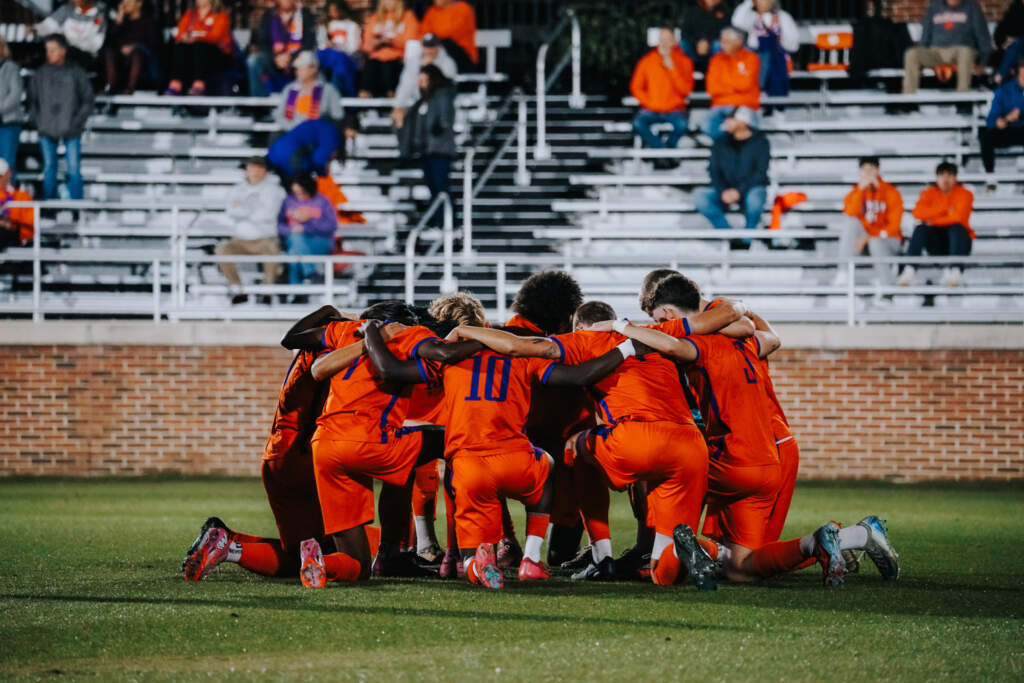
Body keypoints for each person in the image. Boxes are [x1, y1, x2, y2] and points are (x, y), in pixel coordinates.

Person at [614, 275, 901, 587]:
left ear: (669, 314)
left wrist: (621, 328)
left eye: (657, 318)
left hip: (746, 452)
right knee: (741, 567)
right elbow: (770, 337)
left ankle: (661, 555)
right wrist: (740, 313)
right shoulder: (745, 338)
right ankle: (839, 538)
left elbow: (670, 342)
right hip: (765, 453)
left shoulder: (699, 343)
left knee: (667, 467)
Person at [363, 317, 631, 589]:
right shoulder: (524, 358)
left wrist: (370, 332)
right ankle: (530, 557)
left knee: (472, 552)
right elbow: (580, 376)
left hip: (469, 466)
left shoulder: (450, 359)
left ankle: (475, 564)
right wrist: (627, 349)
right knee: (548, 465)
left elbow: (392, 370)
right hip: (516, 460)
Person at [29, 35, 93, 201]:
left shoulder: (76, 72)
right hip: (46, 128)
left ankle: (77, 209)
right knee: (49, 168)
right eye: (47, 51)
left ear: (63, 51)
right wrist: (39, 122)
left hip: (71, 129)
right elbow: (32, 101)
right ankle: (49, 208)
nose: (49, 54)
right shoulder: (40, 74)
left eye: (53, 50)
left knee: (73, 169)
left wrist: (77, 122)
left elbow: (87, 100)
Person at [215, 157, 287, 305]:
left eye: (258, 168)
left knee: (273, 250)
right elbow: (231, 210)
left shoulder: (275, 190)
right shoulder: (237, 189)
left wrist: (244, 209)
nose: (254, 172)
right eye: (251, 168)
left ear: (265, 171)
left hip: (265, 238)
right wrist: (252, 211)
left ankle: (267, 292)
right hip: (240, 239)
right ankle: (238, 290)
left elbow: (268, 214)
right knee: (222, 250)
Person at [694, 106, 769, 237]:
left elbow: (760, 173)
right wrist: (723, 190)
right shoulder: (721, 141)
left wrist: (739, 191)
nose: (727, 122)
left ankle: (748, 238)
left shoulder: (760, 143)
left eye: (731, 119)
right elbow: (714, 171)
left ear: (743, 122)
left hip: (749, 189)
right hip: (726, 189)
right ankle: (728, 234)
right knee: (701, 198)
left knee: (755, 199)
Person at [899, 161, 974, 287]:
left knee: (957, 228)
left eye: (949, 175)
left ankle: (956, 272)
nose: (945, 179)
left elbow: (958, 217)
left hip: (959, 242)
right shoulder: (929, 193)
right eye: (941, 175)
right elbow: (918, 213)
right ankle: (909, 271)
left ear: (955, 178)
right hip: (937, 243)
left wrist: (932, 219)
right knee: (921, 228)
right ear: (936, 178)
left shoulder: (965, 194)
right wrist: (945, 210)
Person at [397, 65, 456, 215]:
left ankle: (447, 222)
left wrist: (440, 125)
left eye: (424, 80)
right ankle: (439, 220)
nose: (421, 83)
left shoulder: (441, 95)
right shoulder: (422, 100)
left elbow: (444, 119)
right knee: (433, 188)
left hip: (439, 149)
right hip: (426, 149)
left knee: (440, 187)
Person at [629, 28, 695, 160]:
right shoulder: (647, 61)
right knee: (637, 123)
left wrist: (673, 69)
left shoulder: (684, 62)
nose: (664, 44)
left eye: (668, 40)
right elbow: (636, 87)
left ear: (674, 42)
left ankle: (663, 155)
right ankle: (664, 154)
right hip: (651, 109)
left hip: (674, 109)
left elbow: (686, 90)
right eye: (662, 40)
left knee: (682, 125)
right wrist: (648, 102)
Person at [838, 156, 904, 286]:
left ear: (878, 171)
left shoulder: (890, 191)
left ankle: (887, 291)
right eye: (864, 169)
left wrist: (869, 237)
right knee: (851, 223)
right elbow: (850, 213)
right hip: (864, 241)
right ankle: (843, 272)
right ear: (859, 172)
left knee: (876, 242)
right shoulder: (856, 191)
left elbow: (894, 226)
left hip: (887, 239)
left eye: (871, 169)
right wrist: (860, 191)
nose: (867, 173)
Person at [902, 0, 992, 94]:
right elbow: (925, 36)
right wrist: (921, 56)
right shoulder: (934, 7)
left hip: (961, 52)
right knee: (911, 54)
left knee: (966, 52)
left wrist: (983, 62)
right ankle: (909, 102)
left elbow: (983, 36)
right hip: (936, 52)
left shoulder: (972, 7)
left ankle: (963, 101)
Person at [278, 173, 338, 290]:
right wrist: (290, 229)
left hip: (319, 241)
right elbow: (279, 226)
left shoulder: (322, 201)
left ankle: (296, 292)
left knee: (294, 251)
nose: (298, 196)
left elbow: (331, 227)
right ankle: (310, 273)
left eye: (301, 192)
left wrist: (309, 221)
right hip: (293, 240)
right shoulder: (288, 201)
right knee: (295, 244)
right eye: (296, 193)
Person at [731, 0, 799, 100]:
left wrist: (780, 43)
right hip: (755, 54)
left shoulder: (782, 17)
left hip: (775, 55)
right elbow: (736, 22)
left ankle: (761, 88)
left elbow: (793, 43)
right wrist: (748, 3)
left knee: (769, 56)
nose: (761, 3)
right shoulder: (753, 16)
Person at [249, 0, 318, 97]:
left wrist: (291, 56)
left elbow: (309, 43)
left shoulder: (304, 14)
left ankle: (310, 99)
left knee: (312, 60)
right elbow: (263, 42)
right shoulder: (269, 15)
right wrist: (275, 57)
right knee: (253, 61)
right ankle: (260, 105)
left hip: (298, 58)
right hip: (274, 59)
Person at [164, 0, 232, 96]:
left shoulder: (221, 15)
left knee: (201, 46)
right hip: (193, 53)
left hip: (216, 55)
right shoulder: (190, 14)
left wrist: (197, 37)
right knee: (180, 46)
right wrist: (185, 37)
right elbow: (180, 32)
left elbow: (216, 36)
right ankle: (175, 83)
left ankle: (199, 84)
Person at [704, 27, 760, 140]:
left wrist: (724, 85)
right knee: (706, 125)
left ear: (738, 42)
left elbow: (745, 84)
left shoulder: (751, 58)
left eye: (727, 41)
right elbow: (712, 88)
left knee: (748, 125)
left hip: (744, 104)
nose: (722, 44)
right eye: (722, 41)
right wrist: (734, 86)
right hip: (720, 105)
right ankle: (727, 148)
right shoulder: (716, 60)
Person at [392, 32, 457, 126]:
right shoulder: (414, 62)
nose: (429, 50)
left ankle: (442, 125)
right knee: (404, 116)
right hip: (418, 99)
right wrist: (398, 105)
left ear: (438, 47)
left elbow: (448, 85)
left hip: (438, 102)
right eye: (426, 46)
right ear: (422, 46)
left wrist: (432, 67)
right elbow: (406, 84)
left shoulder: (447, 62)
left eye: (432, 47)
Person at [360, 0, 419, 98]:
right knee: (370, 67)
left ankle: (392, 101)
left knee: (388, 67)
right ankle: (365, 106)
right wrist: (376, 42)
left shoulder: (408, 16)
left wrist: (392, 41)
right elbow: (366, 45)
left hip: (397, 58)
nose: (387, 2)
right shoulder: (375, 18)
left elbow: (411, 42)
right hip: (376, 59)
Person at [102, 0, 162, 95]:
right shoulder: (122, 22)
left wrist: (134, 47)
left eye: (128, 2)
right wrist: (118, 20)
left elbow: (154, 44)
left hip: (143, 60)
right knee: (110, 51)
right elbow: (108, 41)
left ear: (139, 4)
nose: (125, 5)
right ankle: (111, 86)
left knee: (137, 52)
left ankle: (130, 88)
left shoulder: (149, 22)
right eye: (123, 3)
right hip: (122, 60)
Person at [980, 55, 1024, 181]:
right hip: (1010, 129)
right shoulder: (1004, 90)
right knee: (986, 138)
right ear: (1018, 71)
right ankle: (990, 177)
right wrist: (1002, 121)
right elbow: (992, 119)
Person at [275, 51, 344, 131]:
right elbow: (279, 115)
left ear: (313, 69)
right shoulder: (290, 89)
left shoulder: (328, 90)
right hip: (291, 133)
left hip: (318, 134)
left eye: (302, 68)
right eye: (297, 69)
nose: (298, 72)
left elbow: (337, 116)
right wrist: (292, 128)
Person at [33, 0, 107, 72]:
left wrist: (69, 43)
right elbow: (47, 26)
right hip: (63, 53)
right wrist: (33, 30)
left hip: (85, 58)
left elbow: (96, 43)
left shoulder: (99, 14)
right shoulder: (66, 10)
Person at [315, 0, 362, 97]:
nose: (333, 13)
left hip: (346, 58)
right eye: (330, 11)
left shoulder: (352, 25)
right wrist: (327, 45)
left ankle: (336, 92)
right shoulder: (325, 26)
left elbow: (353, 47)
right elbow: (320, 44)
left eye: (336, 10)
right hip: (328, 57)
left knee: (338, 59)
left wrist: (336, 46)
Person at [267, 118, 342, 178]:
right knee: (302, 188)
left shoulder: (319, 125)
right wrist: (323, 174)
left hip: (275, 155)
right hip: (292, 158)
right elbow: (319, 158)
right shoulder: (331, 134)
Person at [420, 0, 477, 72]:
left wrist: (434, 39)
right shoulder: (432, 11)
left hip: (461, 57)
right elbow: (423, 33)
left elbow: (453, 33)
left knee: (445, 42)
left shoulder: (463, 8)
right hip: (437, 52)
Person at [679, 0, 734, 70]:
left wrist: (708, 43)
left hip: (712, 48)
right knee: (683, 44)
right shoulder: (692, 9)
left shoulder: (725, 11)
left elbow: (725, 33)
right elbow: (685, 32)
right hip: (695, 47)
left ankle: (716, 70)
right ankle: (687, 69)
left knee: (718, 45)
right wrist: (697, 43)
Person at [0, 37, 23, 179]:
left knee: (7, 163)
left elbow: (15, 94)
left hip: (8, 122)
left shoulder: (11, 68)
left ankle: (8, 197)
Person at [0, 159, 33, 250]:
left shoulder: (22, 196)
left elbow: (29, 226)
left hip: (14, 237)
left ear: (8, 174)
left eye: (0, 176)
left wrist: (10, 224)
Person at [993, 0, 1024, 84]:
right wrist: (1005, 41)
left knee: (1017, 43)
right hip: (1014, 51)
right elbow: (999, 33)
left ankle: (1001, 75)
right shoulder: (1013, 10)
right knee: (1014, 46)